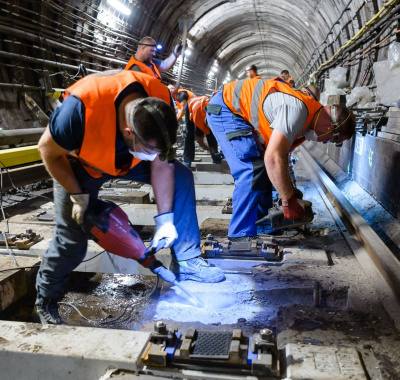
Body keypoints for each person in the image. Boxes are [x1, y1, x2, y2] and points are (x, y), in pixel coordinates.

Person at [34, 69, 225, 325]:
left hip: (130, 159)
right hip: (79, 165)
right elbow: (47, 150)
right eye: (150, 148)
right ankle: (45, 301)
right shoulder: (77, 111)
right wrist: (78, 197)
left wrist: (166, 219)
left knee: (181, 177)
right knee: (71, 239)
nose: (154, 153)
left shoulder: (160, 100)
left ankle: (189, 259)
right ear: (127, 131)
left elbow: (160, 160)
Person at [206, 77, 355, 241]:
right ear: (330, 127)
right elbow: (273, 158)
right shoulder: (297, 111)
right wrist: (288, 201)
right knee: (251, 170)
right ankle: (239, 235)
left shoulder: (306, 122)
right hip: (226, 109)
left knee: (262, 168)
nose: (327, 142)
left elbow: (281, 157)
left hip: (238, 114)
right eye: (334, 139)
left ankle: (262, 224)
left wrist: (289, 190)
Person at [183, 94, 223, 164]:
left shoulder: (215, 113)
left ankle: (216, 158)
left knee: (211, 136)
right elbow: (200, 142)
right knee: (189, 134)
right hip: (190, 106)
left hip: (203, 105)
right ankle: (188, 159)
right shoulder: (199, 122)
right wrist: (210, 150)